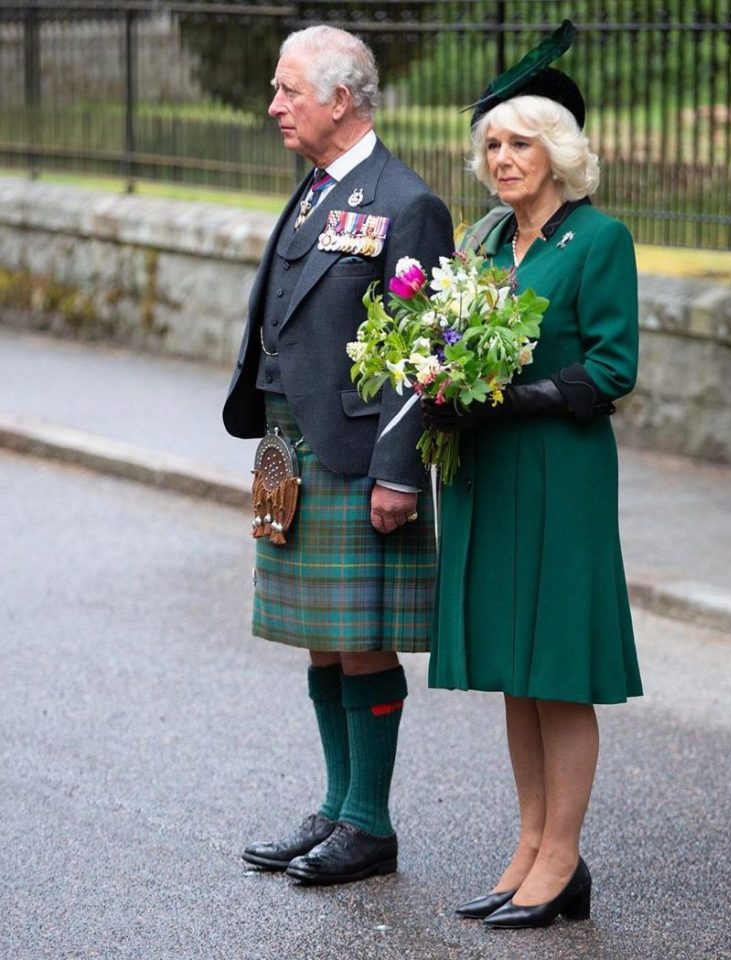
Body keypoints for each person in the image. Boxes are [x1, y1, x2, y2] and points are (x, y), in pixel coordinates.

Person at [422, 21, 642, 929]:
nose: (501, 158)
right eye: (492, 145)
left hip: (561, 471)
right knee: (516, 667)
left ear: (558, 152)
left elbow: (612, 368)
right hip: (488, 474)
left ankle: (563, 858)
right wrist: (435, 376)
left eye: (518, 143)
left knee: (560, 668)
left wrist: (518, 397)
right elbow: (447, 336)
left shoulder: (599, 241)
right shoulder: (480, 237)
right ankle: (528, 845)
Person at [222, 25, 453, 885]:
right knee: (321, 637)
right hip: (291, 443)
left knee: (360, 638)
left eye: (289, 91)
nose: (275, 105)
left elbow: (421, 353)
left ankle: (370, 823)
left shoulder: (409, 202)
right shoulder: (318, 190)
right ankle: (334, 805)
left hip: (358, 453)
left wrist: (398, 470)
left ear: (340, 100)